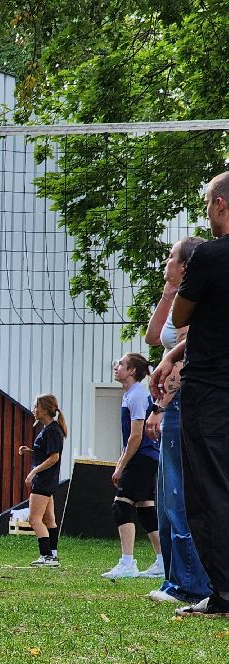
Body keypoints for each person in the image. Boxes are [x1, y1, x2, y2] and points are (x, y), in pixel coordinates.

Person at [170, 171, 229, 615]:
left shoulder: (209, 257)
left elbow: (179, 314)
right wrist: (173, 357)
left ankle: (224, 593)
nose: (207, 212)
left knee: (208, 490)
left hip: (210, 389)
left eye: (209, 203)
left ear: (221, 205)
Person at [145, 236, 212, 606]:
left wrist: (161, 404)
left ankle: (190, 583)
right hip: (171, 402)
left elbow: (187, 358)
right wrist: (170, 289)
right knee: (166, 495)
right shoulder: (179, 297)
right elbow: (155, 336)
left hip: (183, 399)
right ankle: (176, 579)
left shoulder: (202, 295)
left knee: (179, 493)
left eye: (171, 258)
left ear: (186, 264)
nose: (165, 262)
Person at [101, 353, 163, 580]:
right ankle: (163, 561)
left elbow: (135, 437)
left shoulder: (137, 394)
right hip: (144, 457)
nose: (116, 368)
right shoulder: (130, 394)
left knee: (121, 506)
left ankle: (128, 562)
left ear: (132, 371)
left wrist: (120, 466)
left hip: (143, 457)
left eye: (121, 365)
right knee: (146, 511)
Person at [17, 394, 66, 567]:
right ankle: (53, 555)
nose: (33, 409)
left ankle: (46, 556)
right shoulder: (47, 429)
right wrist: (30, 451)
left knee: (34, 519)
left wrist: (33, 473)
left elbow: (54, 457)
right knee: (49, 520)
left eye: (36, 406)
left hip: (44, 481)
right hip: (47, 480)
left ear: (44, 410)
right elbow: (45, 453)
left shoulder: (53, 430)